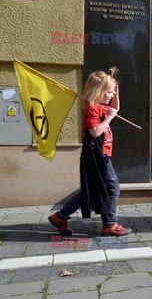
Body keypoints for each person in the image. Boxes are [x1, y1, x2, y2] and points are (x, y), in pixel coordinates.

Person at [48, 68, 131, 236]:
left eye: (112, 92)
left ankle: (61, 216)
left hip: (103, 155)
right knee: (113, 188)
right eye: (108, 92)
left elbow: (115, 108)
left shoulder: (101, 106)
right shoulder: (92, 109)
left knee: (92, 190)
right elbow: (95, 132)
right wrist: (109, 118)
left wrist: (116, 96)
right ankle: (109, 223)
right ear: (98, 91)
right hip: (97, 156)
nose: (110, 95)